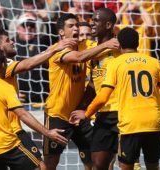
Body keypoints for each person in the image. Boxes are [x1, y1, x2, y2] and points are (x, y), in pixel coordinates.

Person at [70, 27, 160, 170]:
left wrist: (86, 113)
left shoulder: (116, 63)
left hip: (130, 123)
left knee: (126, 166)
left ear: (119, 44)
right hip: (153, 122)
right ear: (138, 44)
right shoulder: (154, 62)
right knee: (153, 165)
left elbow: (102, 97)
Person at [0, 29, 77, 168]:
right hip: (10, 132)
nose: (13, 41)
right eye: (8, 40)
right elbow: (28, 65)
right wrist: (54, 49)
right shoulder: (0, 66)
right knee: (40, 167)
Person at [43, 13, 119, 170]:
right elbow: (79, 57)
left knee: (96, 158)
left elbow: (106, 41)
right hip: (58, 114)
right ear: (61, 32)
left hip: (79, 114)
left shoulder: (85, 45)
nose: (76, 28)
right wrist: (106, 45)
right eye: (71, 26)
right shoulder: (56, 50)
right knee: (51, 162)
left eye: (76, 25)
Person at [84, 8, 121, 170]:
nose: (92, 23)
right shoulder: (93, 50)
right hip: (103, 113)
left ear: (108, 24)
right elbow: (92, 82)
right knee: (98, 164)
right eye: (92, 19)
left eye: (96, 20)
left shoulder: (119, 48)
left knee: (128, 163)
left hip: (122, 111)